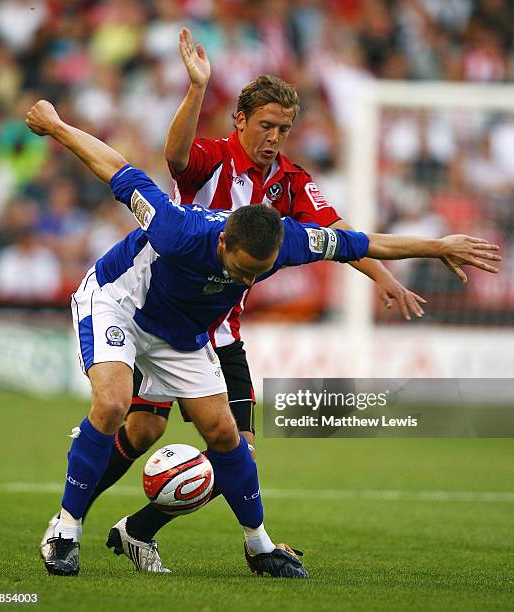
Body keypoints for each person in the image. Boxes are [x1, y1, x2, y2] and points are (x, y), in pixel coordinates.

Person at [26, 100, 500, 578]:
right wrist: (57, 125)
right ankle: (65, 530)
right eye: (243, 270)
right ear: (224, 243)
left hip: (183, 334)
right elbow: (115, 167)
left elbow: (366, 241)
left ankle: (259, 546)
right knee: (111, 405)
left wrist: (438, 246)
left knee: (226, 433)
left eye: (260, 273)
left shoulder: (289, 241)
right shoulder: (178, 229)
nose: (249, 281)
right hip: (118, 304)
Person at [47, 27, 428, 557]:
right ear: (241, 120)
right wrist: (196, 87)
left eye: (285, 128)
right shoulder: (207, 174)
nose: (274, 137)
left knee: (233, 441)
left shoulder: (291, 186)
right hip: (149, 301)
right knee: (135, 428)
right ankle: (69, 522)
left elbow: (342, 238)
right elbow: (169, 158)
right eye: (266, 125)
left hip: (213, 325)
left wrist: (390, 274)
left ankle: (150, 531)